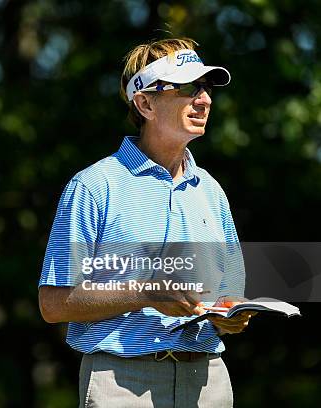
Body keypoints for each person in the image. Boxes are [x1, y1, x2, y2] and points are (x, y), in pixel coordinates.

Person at [38, 38, 255, 407]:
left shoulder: (212, 191)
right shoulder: (93, 186)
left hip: (208, 380)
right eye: (188, 87)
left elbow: (229, 290)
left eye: (206, 87)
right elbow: (53, 304)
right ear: (145, 103)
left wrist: (230, 315)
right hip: (120, 382)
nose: (204, 99)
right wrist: (146, 293)